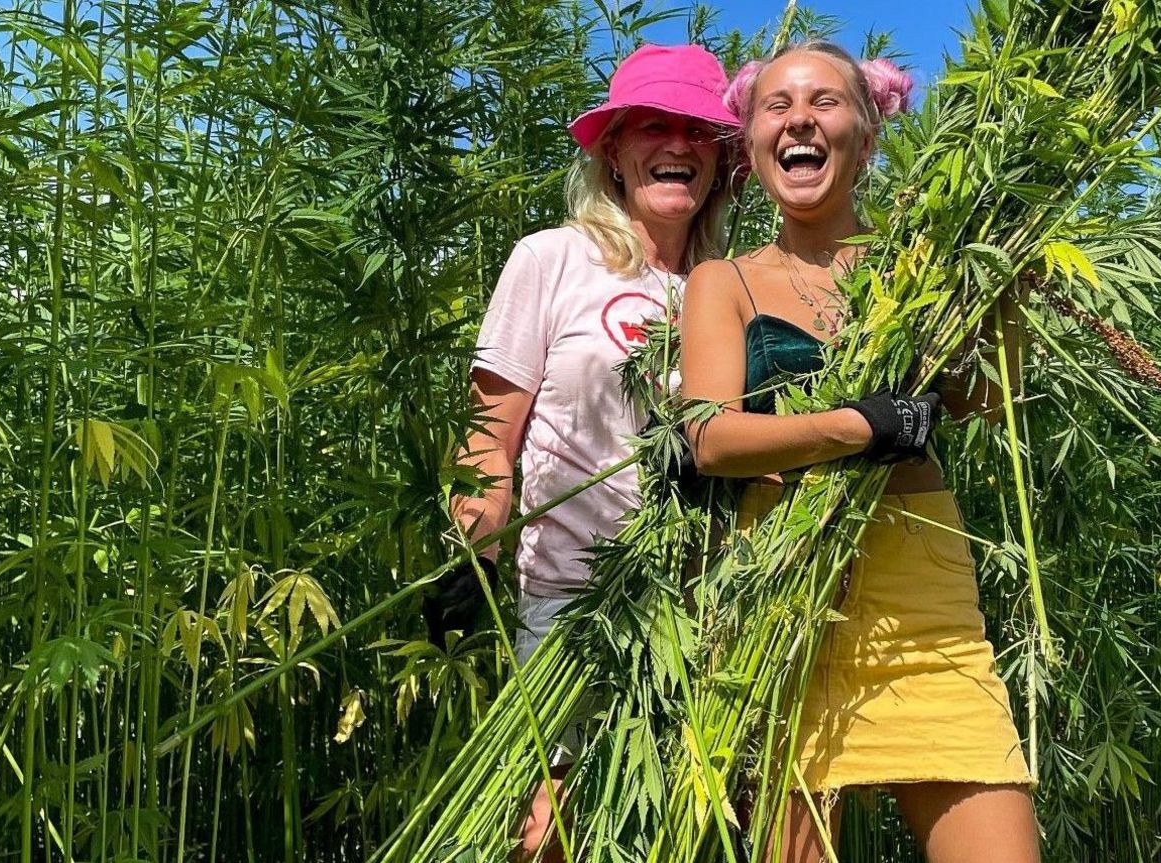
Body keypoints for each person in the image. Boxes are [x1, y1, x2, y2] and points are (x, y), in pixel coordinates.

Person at [680, 40, 1041, 862]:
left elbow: (984, 400)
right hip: (783, 592)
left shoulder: (925, 263)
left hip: (922, 597)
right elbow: (708, 436)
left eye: (825, 102)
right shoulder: (724, 282)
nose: (799, 119)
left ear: (868, 133)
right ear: (751, 139)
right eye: (777, 105)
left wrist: (1003, 290)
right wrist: (858, 425)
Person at [443, 43, 740, 861]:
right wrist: (473, 549)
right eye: (654, 124)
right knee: (554, 828)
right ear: (612, 148)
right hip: (572, 603)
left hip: (699, 605)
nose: (677, 144)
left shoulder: (730, 284)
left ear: (722, 157)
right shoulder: (552, 259)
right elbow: (488, 436)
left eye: (698, 129)